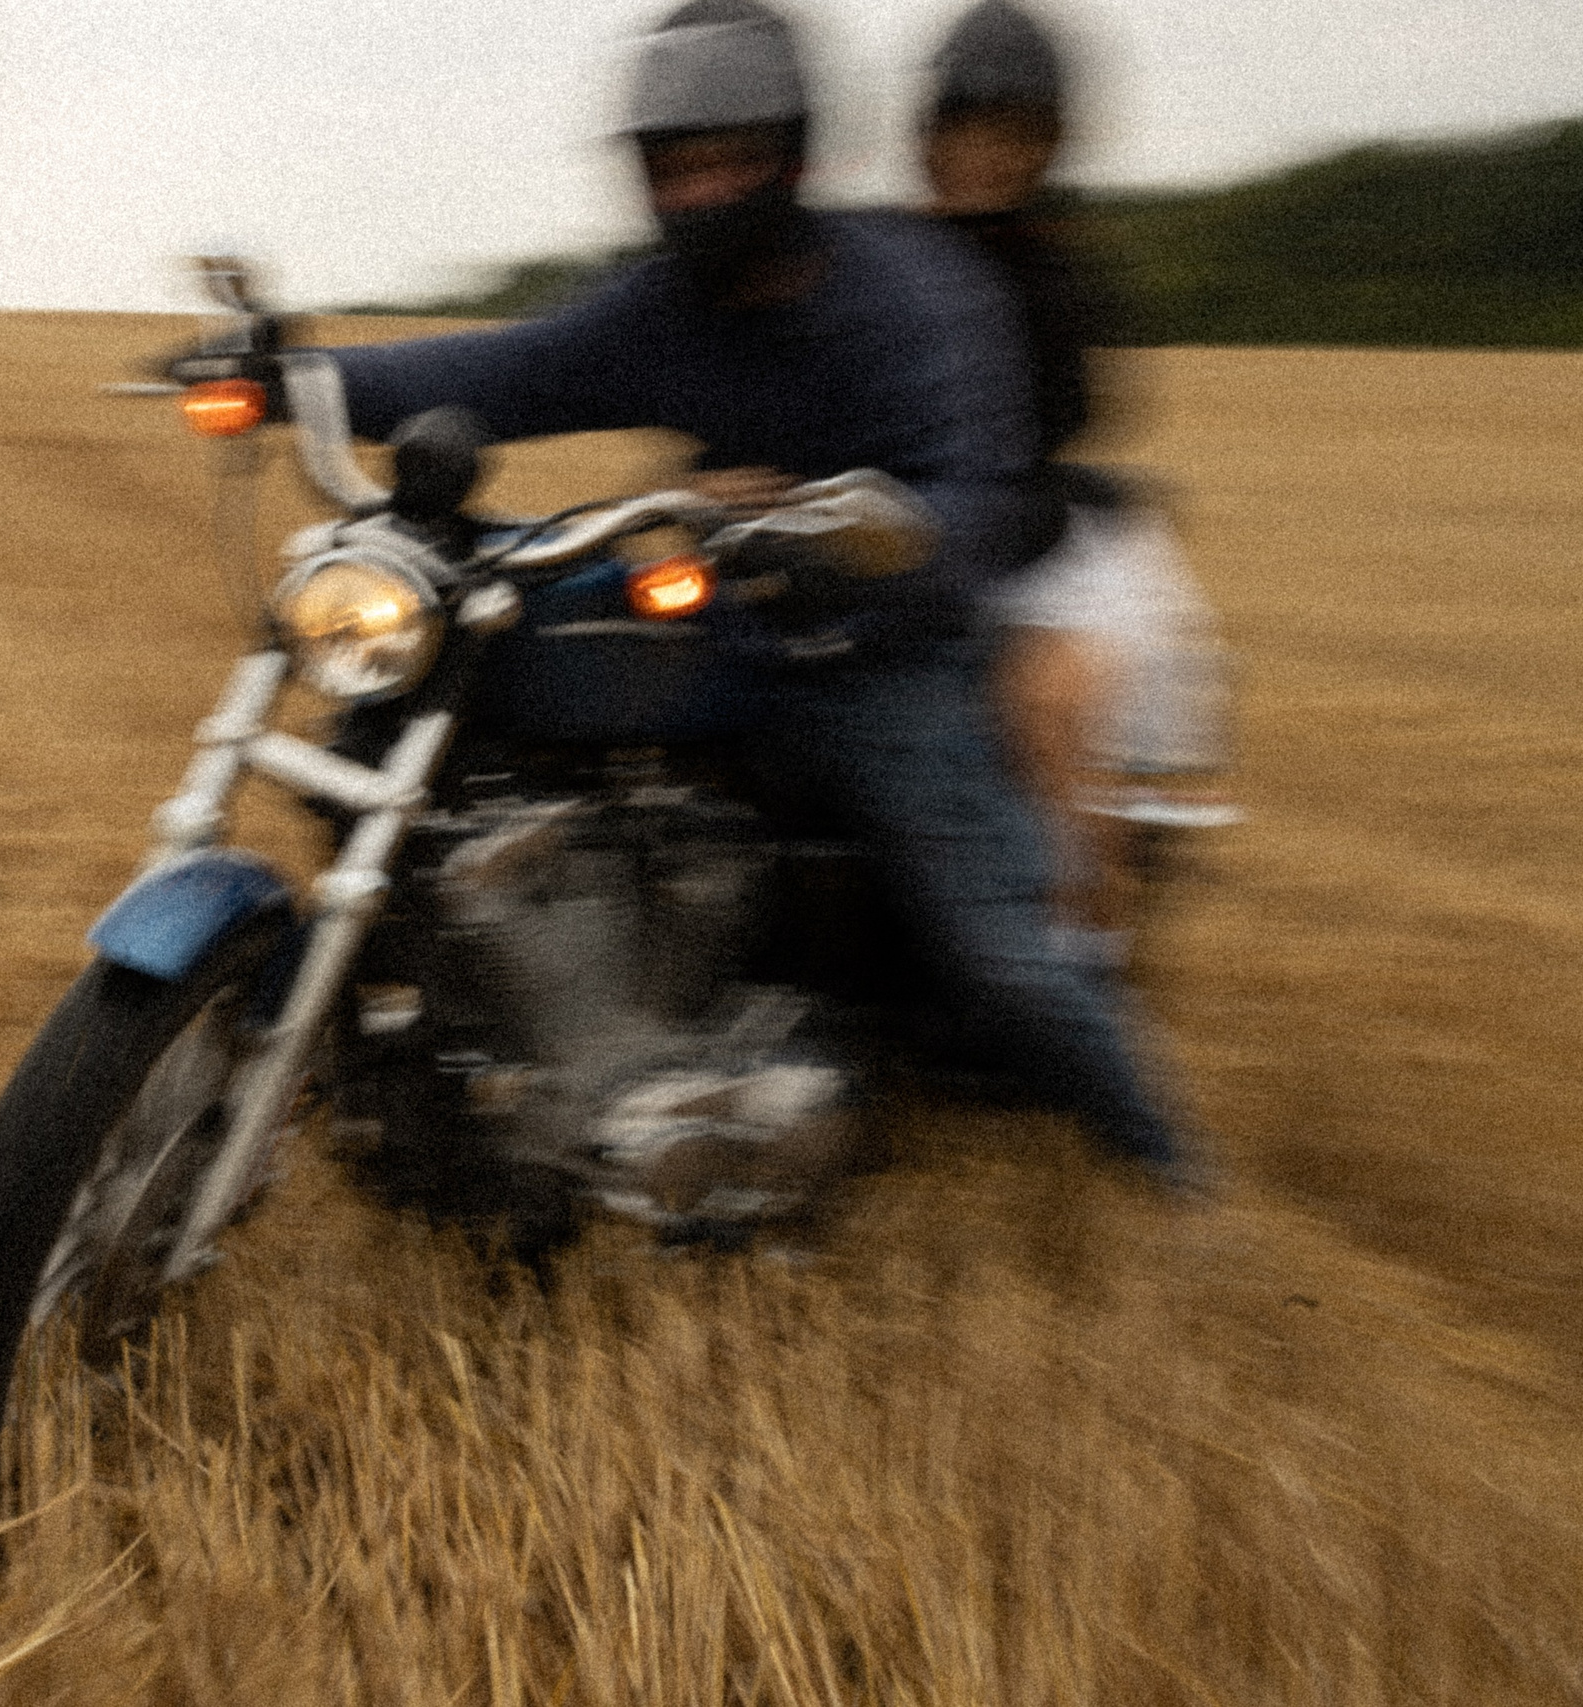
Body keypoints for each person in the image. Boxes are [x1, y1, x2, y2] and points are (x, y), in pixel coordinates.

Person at [322, 0, 1208, 1192]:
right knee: (419, 716)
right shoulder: (659, 310)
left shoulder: (912, 293)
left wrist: (862, 531)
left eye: (726, 160)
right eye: (675, 166)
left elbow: (979, 496)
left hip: (876, 652)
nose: (700, 189)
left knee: (1009, 961)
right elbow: (493, 369)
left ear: (790, 157)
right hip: (728, 627)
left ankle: (1169, 1175)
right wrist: (289, 372)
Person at [921, 0, 1241, 954]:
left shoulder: (1056, 274)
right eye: (969, 128)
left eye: (1013, 134)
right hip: (924, 525)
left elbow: (1063, 416)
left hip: (1015, 529)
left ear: (1049, 145)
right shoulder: (884, 259)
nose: (987, 154)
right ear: (930, 133)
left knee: (1053, 702)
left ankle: (1082, 942)